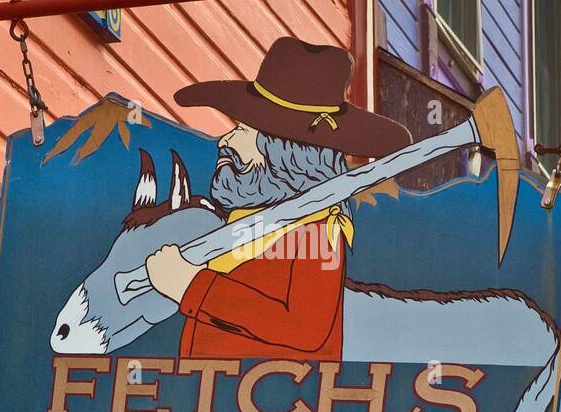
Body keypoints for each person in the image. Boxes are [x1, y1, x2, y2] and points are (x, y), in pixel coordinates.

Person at [144, 37, 411, 360]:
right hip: (207, 402)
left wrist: (192, 286)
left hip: (273, 402)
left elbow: (304, 326)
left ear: (281, 151)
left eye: (242, 131)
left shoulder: (317, 231)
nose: (224, 141)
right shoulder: (238, 221)